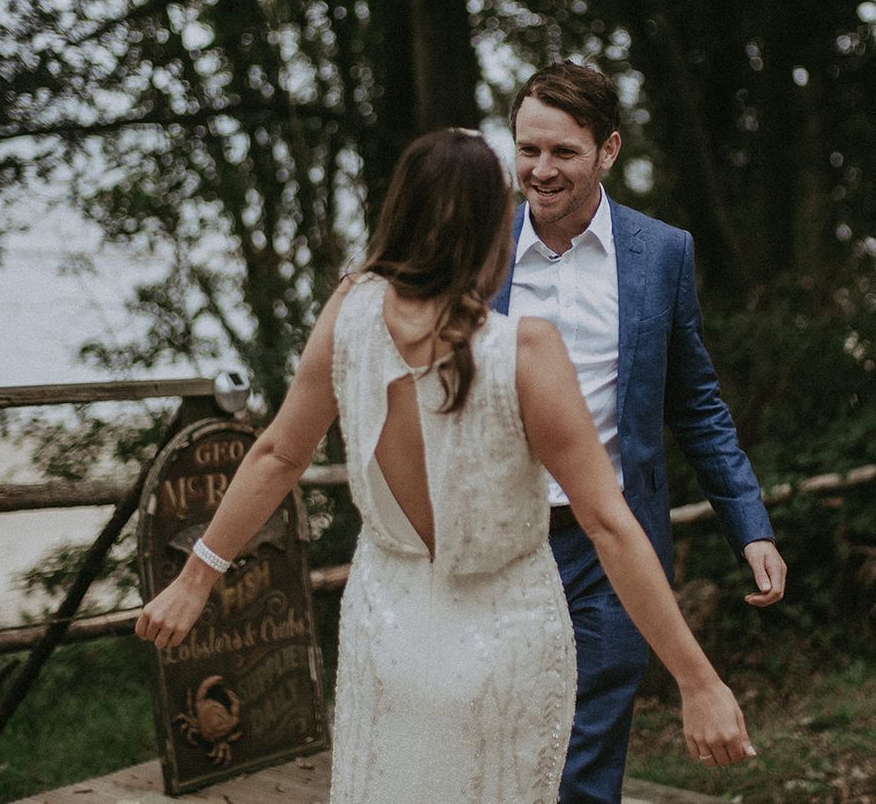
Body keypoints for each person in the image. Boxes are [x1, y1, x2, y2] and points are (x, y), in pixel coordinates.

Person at [136, 128, 756, 804]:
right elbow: (608, 523)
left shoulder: (349, 310)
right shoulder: (525, 350)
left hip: (388, 632)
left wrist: (197, 579)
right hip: (504, 647)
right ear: (495, 226)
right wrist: (698, 680)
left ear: (398, 210)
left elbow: (278, 453)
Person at [493, 62, 787, 803]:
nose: (542, 169)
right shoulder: (475, 248)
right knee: (499, 742)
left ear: (608, 151)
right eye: (529, 149)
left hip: (612, 545)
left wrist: (748, 523)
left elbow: (696, 405)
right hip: (496, 540)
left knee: (586, 753)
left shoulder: (661, 253)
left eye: (563, 151)